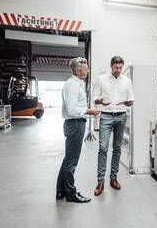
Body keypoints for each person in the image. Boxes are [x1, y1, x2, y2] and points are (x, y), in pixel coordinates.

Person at [56, 57, 100, 203]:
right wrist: (89, 111)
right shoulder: (72, 85)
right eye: (86, 67)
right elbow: (72, 109)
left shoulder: (77, 83)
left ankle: (61, 191)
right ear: (78, 70)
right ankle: (71, 194)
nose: (88, 70)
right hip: (75, 124)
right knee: (71, 161)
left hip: (75, 123)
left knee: (68, 159)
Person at [93, 56, 134, 196]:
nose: (118, 70)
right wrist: (99, 101)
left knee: (117, 148)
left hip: (121, 116)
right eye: (116, 68)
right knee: (103, 148)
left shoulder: (127, 81)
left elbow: (131, 97)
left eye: (120, 68)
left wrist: (129, 102)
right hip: (106, 116)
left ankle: (113, 178)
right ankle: (100, 181)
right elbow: (94, 96)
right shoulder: (102, 79)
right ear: (111, 66)